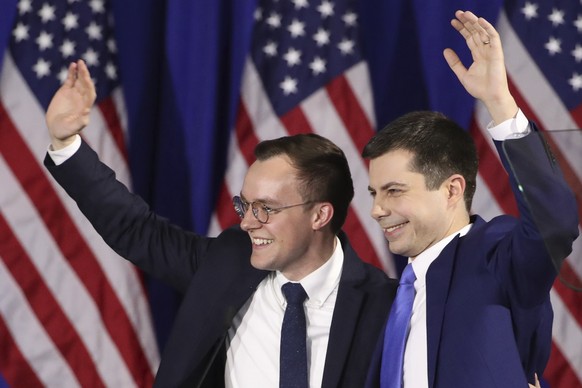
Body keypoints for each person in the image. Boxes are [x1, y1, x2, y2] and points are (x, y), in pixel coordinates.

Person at [43, 59, 397, 387]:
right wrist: (65, 143)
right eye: (245, 204)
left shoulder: (386, 306)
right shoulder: (227, 262)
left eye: (266, 209)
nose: (247, 223)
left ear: (320, 215)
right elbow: (137, 229)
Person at [363, 10, 579, 388]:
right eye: (375, 193)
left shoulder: (496, 257)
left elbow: (555, 222)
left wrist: (499, 101)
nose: (377, 210)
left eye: (394, 191)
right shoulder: (391, 298)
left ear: (451, 189)